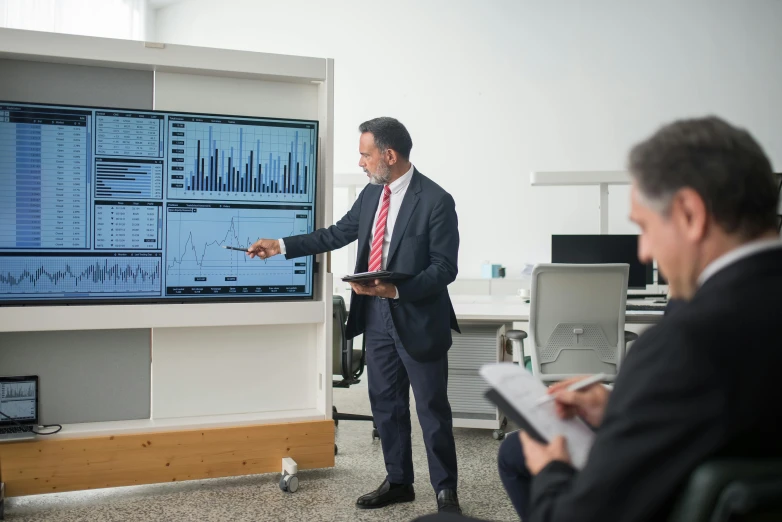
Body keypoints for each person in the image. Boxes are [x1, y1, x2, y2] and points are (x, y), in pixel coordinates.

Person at [492, 116, 782, 522]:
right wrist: (620, 411)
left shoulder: (684, 343)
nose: (644, 252)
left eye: (644, 227)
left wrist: (551, 469)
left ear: (689, 214)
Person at [247, 117, 463, 513]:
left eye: (365, 154)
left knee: (431, 409)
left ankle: (446, 492)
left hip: (418, 320)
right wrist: (279, 245)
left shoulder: (435, 200)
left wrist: (397, 288)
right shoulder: (370, 195)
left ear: (389, 155)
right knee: (385, 403)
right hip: (377, 317)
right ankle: (399, 481)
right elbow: (335, 233)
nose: (361, 162)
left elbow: (443, 268)